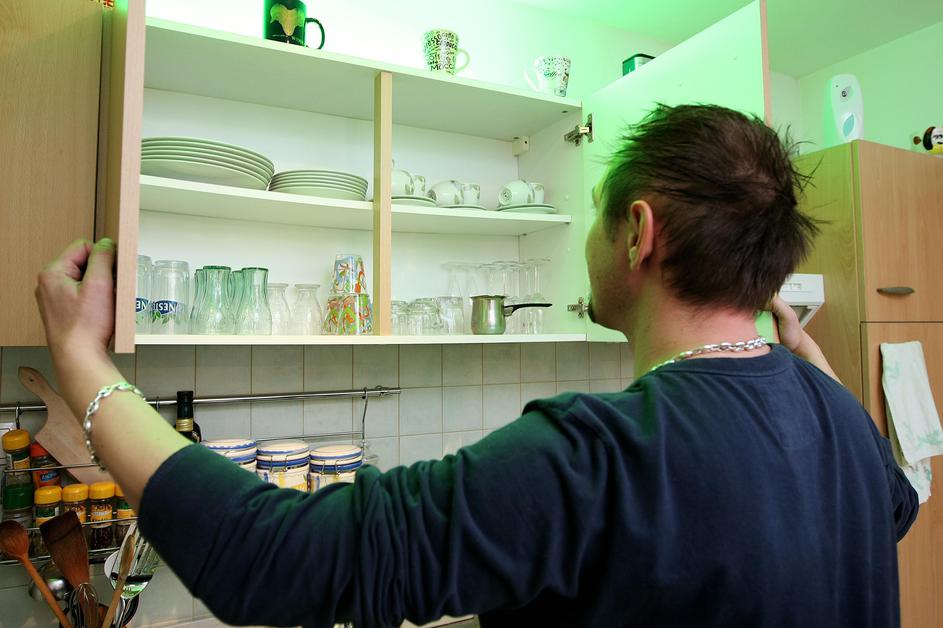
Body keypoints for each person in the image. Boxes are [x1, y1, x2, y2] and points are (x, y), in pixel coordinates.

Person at [35, 104, 917, 628]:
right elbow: (898, 509)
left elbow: (266, 556)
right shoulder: (837, 415)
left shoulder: (593, 456)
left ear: (637, 233)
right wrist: (818, 377)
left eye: (595, 215)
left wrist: (81, 360)